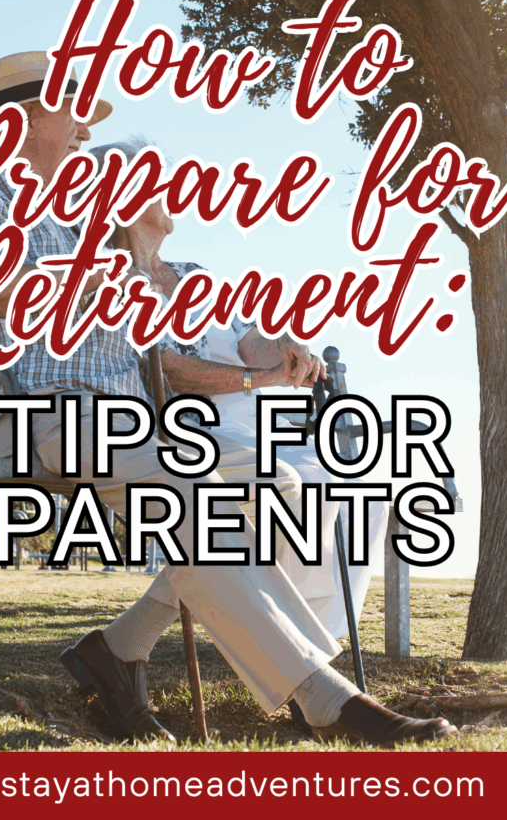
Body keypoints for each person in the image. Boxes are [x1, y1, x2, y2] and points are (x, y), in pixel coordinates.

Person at [0, 50, 455, 748]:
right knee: (193, 487)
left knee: (280, 484)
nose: (85, 133)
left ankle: (116, 650)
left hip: (119, 420)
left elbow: (148, 347)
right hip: (30, 413)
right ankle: (325, 698)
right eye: (75, 116)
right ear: (25, 116)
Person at [94, 139, 389, 643]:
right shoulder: (111, 279)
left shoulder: (191, 276)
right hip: (185, 433)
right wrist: (258, 380)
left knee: (363, 492)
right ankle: (286, 644)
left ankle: (314, 638)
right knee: (298, 498)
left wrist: (286, 345)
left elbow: (249, 340)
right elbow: (160, 369)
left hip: (249, 428)